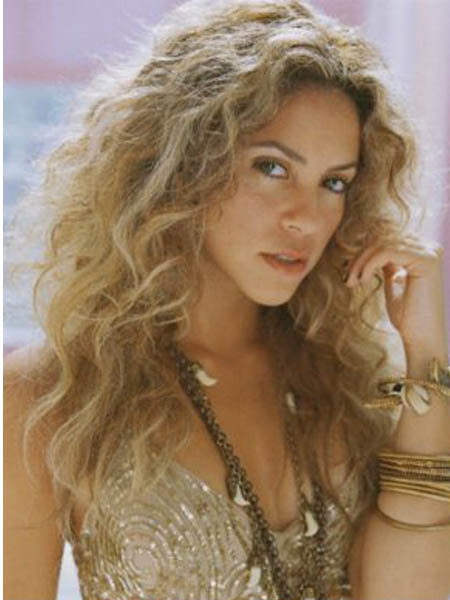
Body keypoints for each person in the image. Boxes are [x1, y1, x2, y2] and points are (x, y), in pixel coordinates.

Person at [4, 0, 450, 598]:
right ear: (182, 165)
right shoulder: (49, 398)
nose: (306, 217)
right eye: (272, 167)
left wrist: (427, 356)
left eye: (333, 182)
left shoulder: (353, 384)